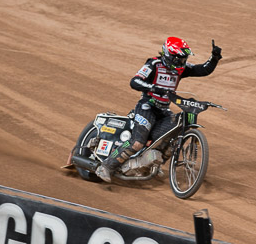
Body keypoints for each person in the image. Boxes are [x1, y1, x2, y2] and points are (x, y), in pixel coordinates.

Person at [95, 37, 222, 183]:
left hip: (163, 110)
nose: (182, 61)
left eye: (184, 58)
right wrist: (154, 88)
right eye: (179, 58)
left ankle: (151, 163)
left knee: (173, 136)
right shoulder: (154, 64)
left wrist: (214, 58)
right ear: (169, 55)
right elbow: (134, 81)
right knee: (137, 142)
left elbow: (203, 70)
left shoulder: (181, 69)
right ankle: (106, 166)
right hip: (147, 106)